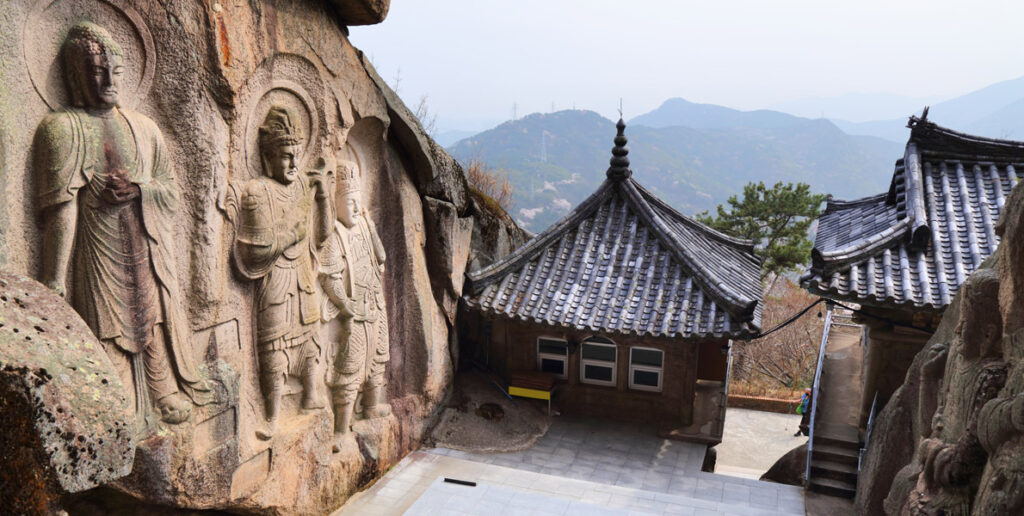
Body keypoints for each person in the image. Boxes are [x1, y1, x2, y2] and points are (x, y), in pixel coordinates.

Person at [35, 21, 210, 425]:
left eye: (114, 69)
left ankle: (162, 388)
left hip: (146, 243)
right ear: (77, 76)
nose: (108, 79)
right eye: (96, 70)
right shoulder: (61, 129)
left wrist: (141, 190)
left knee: (154, 317)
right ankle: (117, 396)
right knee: (105, 323)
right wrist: (54, 281)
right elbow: (60, 209)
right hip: (98, 248)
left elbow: (170, 190)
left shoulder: (145, 129)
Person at [234, 106, 331, 440]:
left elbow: (323, 235)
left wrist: (323, 198)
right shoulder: (257, 192)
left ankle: (311, 394)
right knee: (274, 350)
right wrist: (292, 232)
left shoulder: (304, 188)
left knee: (311, 338)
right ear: (268, 157)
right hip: (276, 282)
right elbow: (255, 248)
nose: (292, 163)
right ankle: (272, 415)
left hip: (303, 278)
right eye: (285, 156)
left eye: (296, 155)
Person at [318, 160, 390, 451]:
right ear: (337, 204)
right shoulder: (335, 234)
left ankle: (371, 406)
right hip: (355, 307)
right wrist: (346, 306)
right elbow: (329, 277)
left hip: (375, 301)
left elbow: (381, 257)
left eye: (358, 201)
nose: (355, 208)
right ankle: (340, 428)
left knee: (379, 356)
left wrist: (370, 225)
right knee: (350, 365)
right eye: (349, 202)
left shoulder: (362, 225)